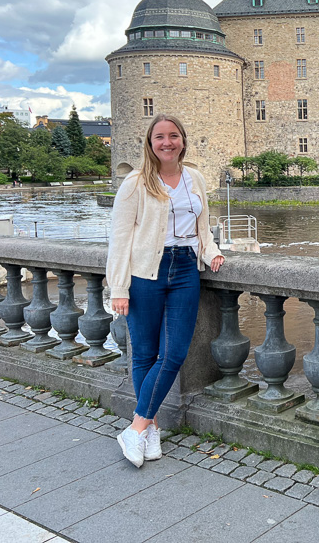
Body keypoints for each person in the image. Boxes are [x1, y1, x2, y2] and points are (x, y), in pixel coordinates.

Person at [106, 113, 224, 468]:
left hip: (186, 268)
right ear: (150, 142)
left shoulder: (196, 178)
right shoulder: (135, 182)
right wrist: (118, 288)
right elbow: (120, 238)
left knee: (173, 353)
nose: (167, 142)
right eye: (160, 137)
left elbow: (202, 226)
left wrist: (211, 251)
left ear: (183, 141)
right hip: (146, 273)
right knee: (143, 354)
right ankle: (150, 428)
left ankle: (136, 427)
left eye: (174, 136)